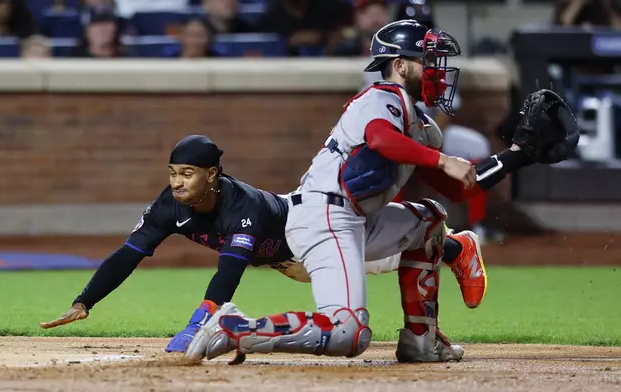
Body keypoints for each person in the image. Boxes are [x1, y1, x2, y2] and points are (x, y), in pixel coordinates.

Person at [185, 19, 555, 365]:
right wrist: (442, 160)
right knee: (348, 333)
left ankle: (420, 340)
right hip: (323, 217)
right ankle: (236, 327)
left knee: (428, 222)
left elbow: (458, 189)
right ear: (400, 64)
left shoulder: (422, 126)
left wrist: (516, 157)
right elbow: (380, 139)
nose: (436, 70)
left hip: (352, 219)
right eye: (426, 60)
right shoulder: (381, 96)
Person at [40, 133, 486, 354]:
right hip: (284, 260)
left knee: (381, 260)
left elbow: (230, 268)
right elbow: (128, 255)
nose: (176, 182)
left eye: (187, 174)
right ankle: (453, 250)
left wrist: (199, 323)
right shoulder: (167, 206)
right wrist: (86, 301)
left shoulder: (242, 204)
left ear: (212, 175)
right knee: (380, 261)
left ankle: (457, 248)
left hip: (310, 231)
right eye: (173, 172)